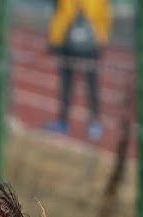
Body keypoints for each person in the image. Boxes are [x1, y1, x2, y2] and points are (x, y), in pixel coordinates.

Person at [46, 0, 111, 142]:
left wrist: (102, 38)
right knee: (67, 86)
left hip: (90, 44)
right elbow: (62, 15)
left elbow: (103, 15)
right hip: (69, 44)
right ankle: (64, 122)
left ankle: (94, 122)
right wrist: (55, 39)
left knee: (91, 85)